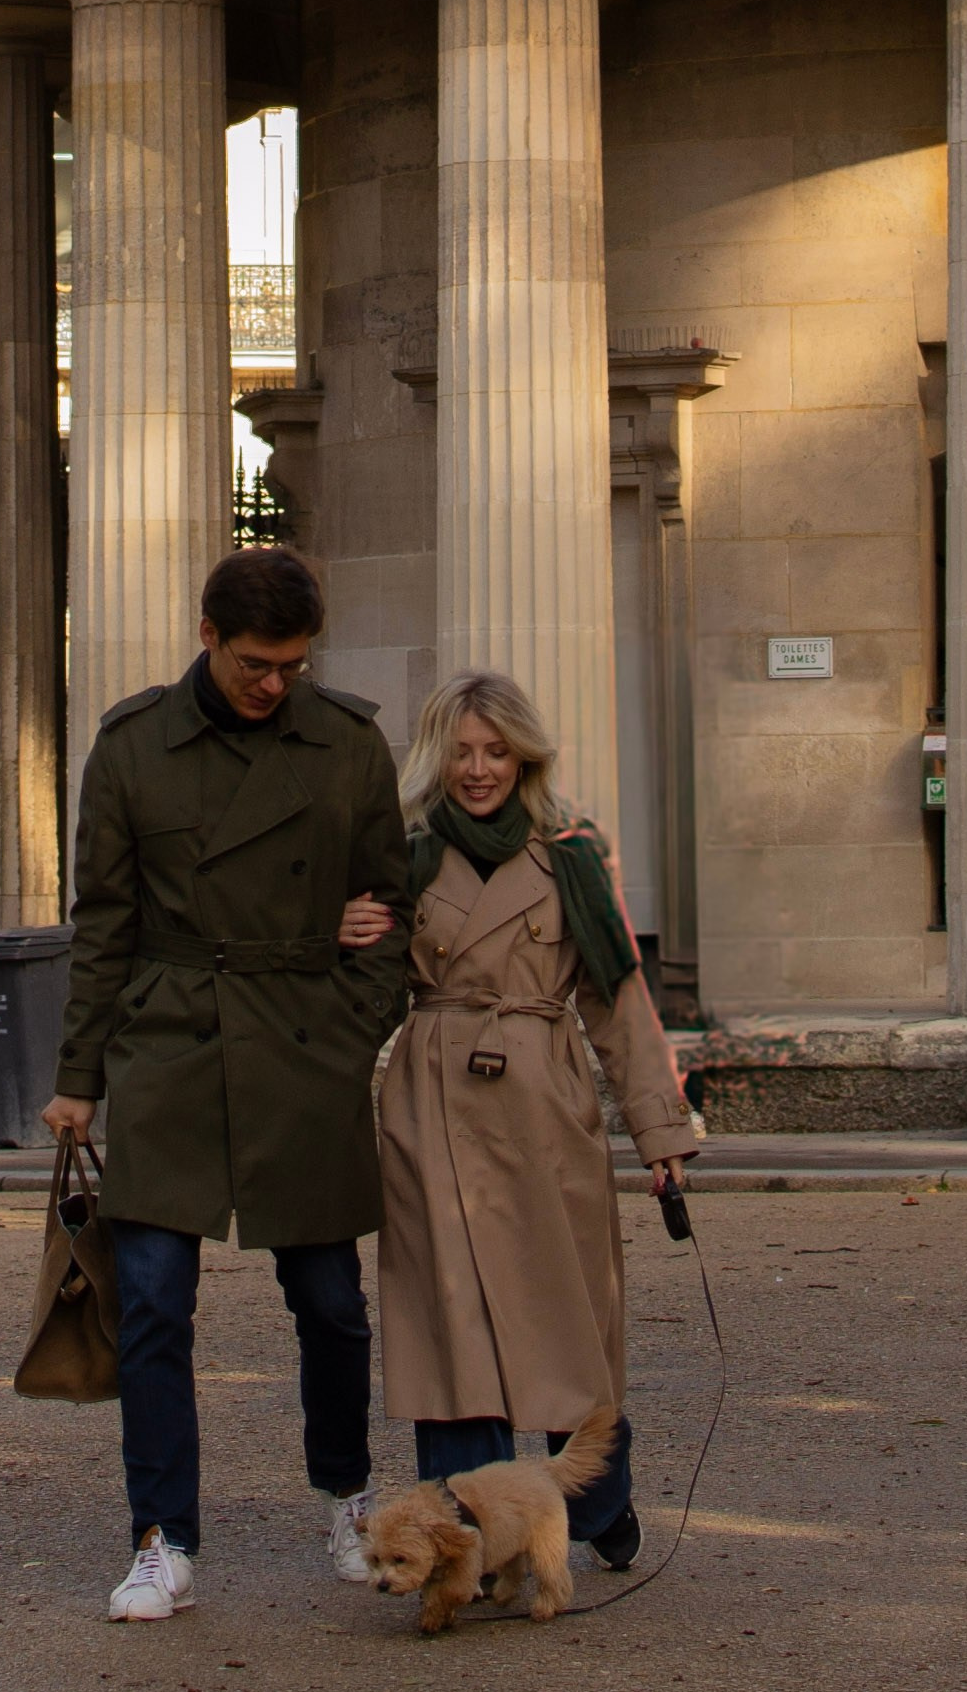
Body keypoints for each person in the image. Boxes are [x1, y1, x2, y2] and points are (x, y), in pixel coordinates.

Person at [40, 545, 411, 1623]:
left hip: (304, 1041)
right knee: (152, 1302)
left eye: (293, 665)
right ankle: (161, 1537)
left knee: (332, 1304)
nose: (274, 683)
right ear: (208, 638)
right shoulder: (131, 744)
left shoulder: (346, 744)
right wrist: (77, 1076)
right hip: (171, 1041)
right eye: (257, 663)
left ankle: (347, 1495)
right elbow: (102, 920)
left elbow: (390, 903)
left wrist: (350, 1031)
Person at [377, 670, 695, 1572]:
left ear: (526, 755)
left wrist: (661, 1134)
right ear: (438, 757)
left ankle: (597, 1504)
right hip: (431, 1104)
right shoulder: (402, 854)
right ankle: (462, 1531)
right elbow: (360, 996)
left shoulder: (571, 855)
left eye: (497, 751)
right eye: (463, 751)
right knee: (449, 1332)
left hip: (545, 1104)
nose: (479, 770)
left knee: (567, 1319)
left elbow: (617, 999)